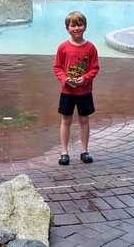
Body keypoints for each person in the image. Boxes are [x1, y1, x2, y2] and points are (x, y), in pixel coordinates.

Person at [53, 10, 100, 165]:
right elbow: (57, 67)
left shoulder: (91, 48)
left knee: (84, 119)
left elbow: (94, 68)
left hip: (84, 91)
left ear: (85, 27)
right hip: (67, 91)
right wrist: (64, 79)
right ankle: (64, 152)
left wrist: (85, 79)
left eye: (80, 25)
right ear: (67, 28)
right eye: (73, 25)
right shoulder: (63, 47)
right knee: (66, 119)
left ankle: (84, 150)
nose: (76, 28)